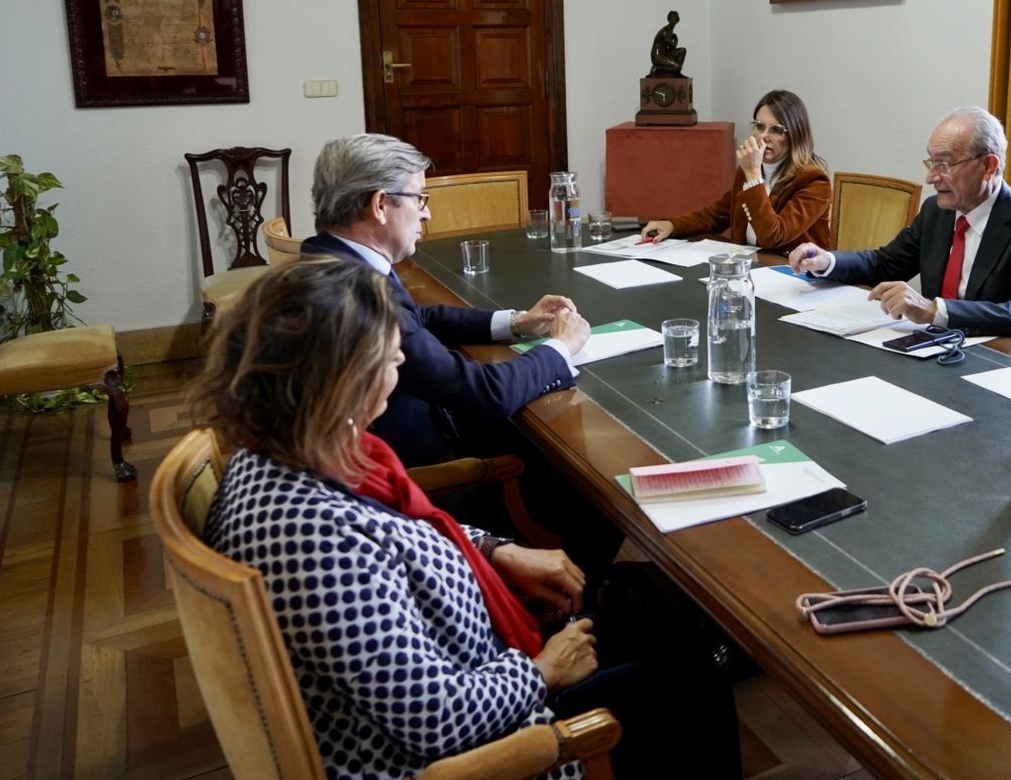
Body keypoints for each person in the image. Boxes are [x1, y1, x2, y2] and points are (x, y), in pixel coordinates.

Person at [196, 259, 740, 779]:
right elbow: (435, 721)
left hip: (462, 656)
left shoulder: (281, 451)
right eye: (387, 360)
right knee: (692, 668)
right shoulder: (320, 545)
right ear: (340, 382)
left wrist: (491, 549)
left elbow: (402, 531)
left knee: (650, 598)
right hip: (483, 742)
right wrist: (542, 671)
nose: (401, 365)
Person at [301, 133, 588, 468]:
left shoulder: (331, 256)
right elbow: (485, 394)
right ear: (379, 205)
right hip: (424, 470)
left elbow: (418, 316)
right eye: (419, 199)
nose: (427, 215)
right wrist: (562, 347)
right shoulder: (359, 294)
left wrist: (515, 322)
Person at [788, 106, 1011, 336]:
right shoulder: (937, 210)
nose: (931, 178)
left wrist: (935, 311)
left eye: (943, 165)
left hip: (989, 359)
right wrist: (827, 261)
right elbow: (885, 263)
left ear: (988, 166)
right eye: (930, 163)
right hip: (929, 350)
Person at [641, 89, 832, 254]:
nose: (764, 136)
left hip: (791, 275)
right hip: (749, 266)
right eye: (759, 126)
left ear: (795, 135)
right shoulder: (748, 170)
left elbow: (773, 236)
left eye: (776, 130)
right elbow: (715, 216)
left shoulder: (813, 181)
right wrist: (671, 225)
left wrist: (753, 176)